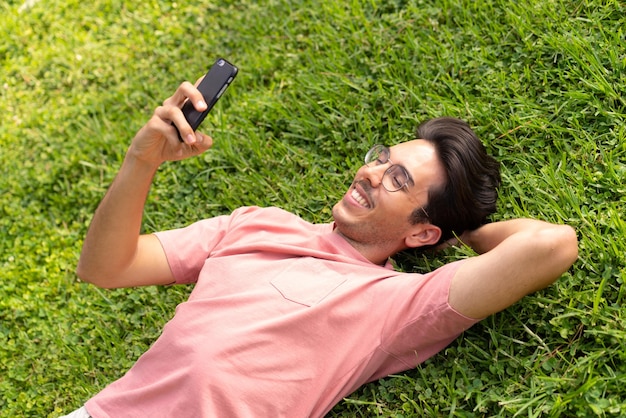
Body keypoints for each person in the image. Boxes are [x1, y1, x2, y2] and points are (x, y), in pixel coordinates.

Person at [66, 80, 578, 418]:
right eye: (381, 158)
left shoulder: (393, 301)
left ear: (422, 233)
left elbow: (551, 244)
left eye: (397, 179)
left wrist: (464, 233)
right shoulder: (255, 224)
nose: (370, 173)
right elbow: (105, 268)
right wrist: (141, 159)